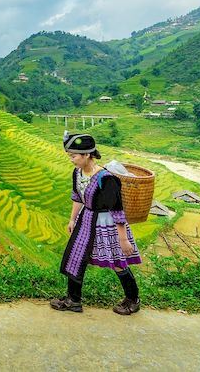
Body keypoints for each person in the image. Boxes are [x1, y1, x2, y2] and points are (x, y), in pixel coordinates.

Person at [50, 131, 142, 315]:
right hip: (86, 219)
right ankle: (73, 300)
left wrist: (123, 240)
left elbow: (117, 210)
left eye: (74, 156)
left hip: (107, 223)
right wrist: (72, 218)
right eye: (70, 156)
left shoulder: (106, 179)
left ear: (87, 155)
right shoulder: (77, 173)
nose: (71, 160)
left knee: (118, 261)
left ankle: (133, 299)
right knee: (75, 257)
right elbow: (77, 197)